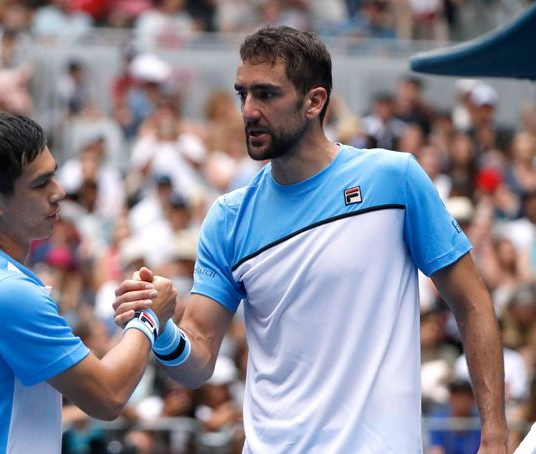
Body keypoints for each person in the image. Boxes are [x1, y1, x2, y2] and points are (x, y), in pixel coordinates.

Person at [114, 26, 507, 452]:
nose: (248, 111)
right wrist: (160, 326)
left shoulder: (395, 178)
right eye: (242, 94)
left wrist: (495, 435)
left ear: (314, 101)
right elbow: (198, 362)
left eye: (266, 94)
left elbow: (472, 304)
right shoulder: (227, 218)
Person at [0, 112, 177, 453]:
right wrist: (150, 316)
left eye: (54, 175)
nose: (60, 191)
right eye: (41, 184)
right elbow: (108, 396)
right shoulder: (3, 292)